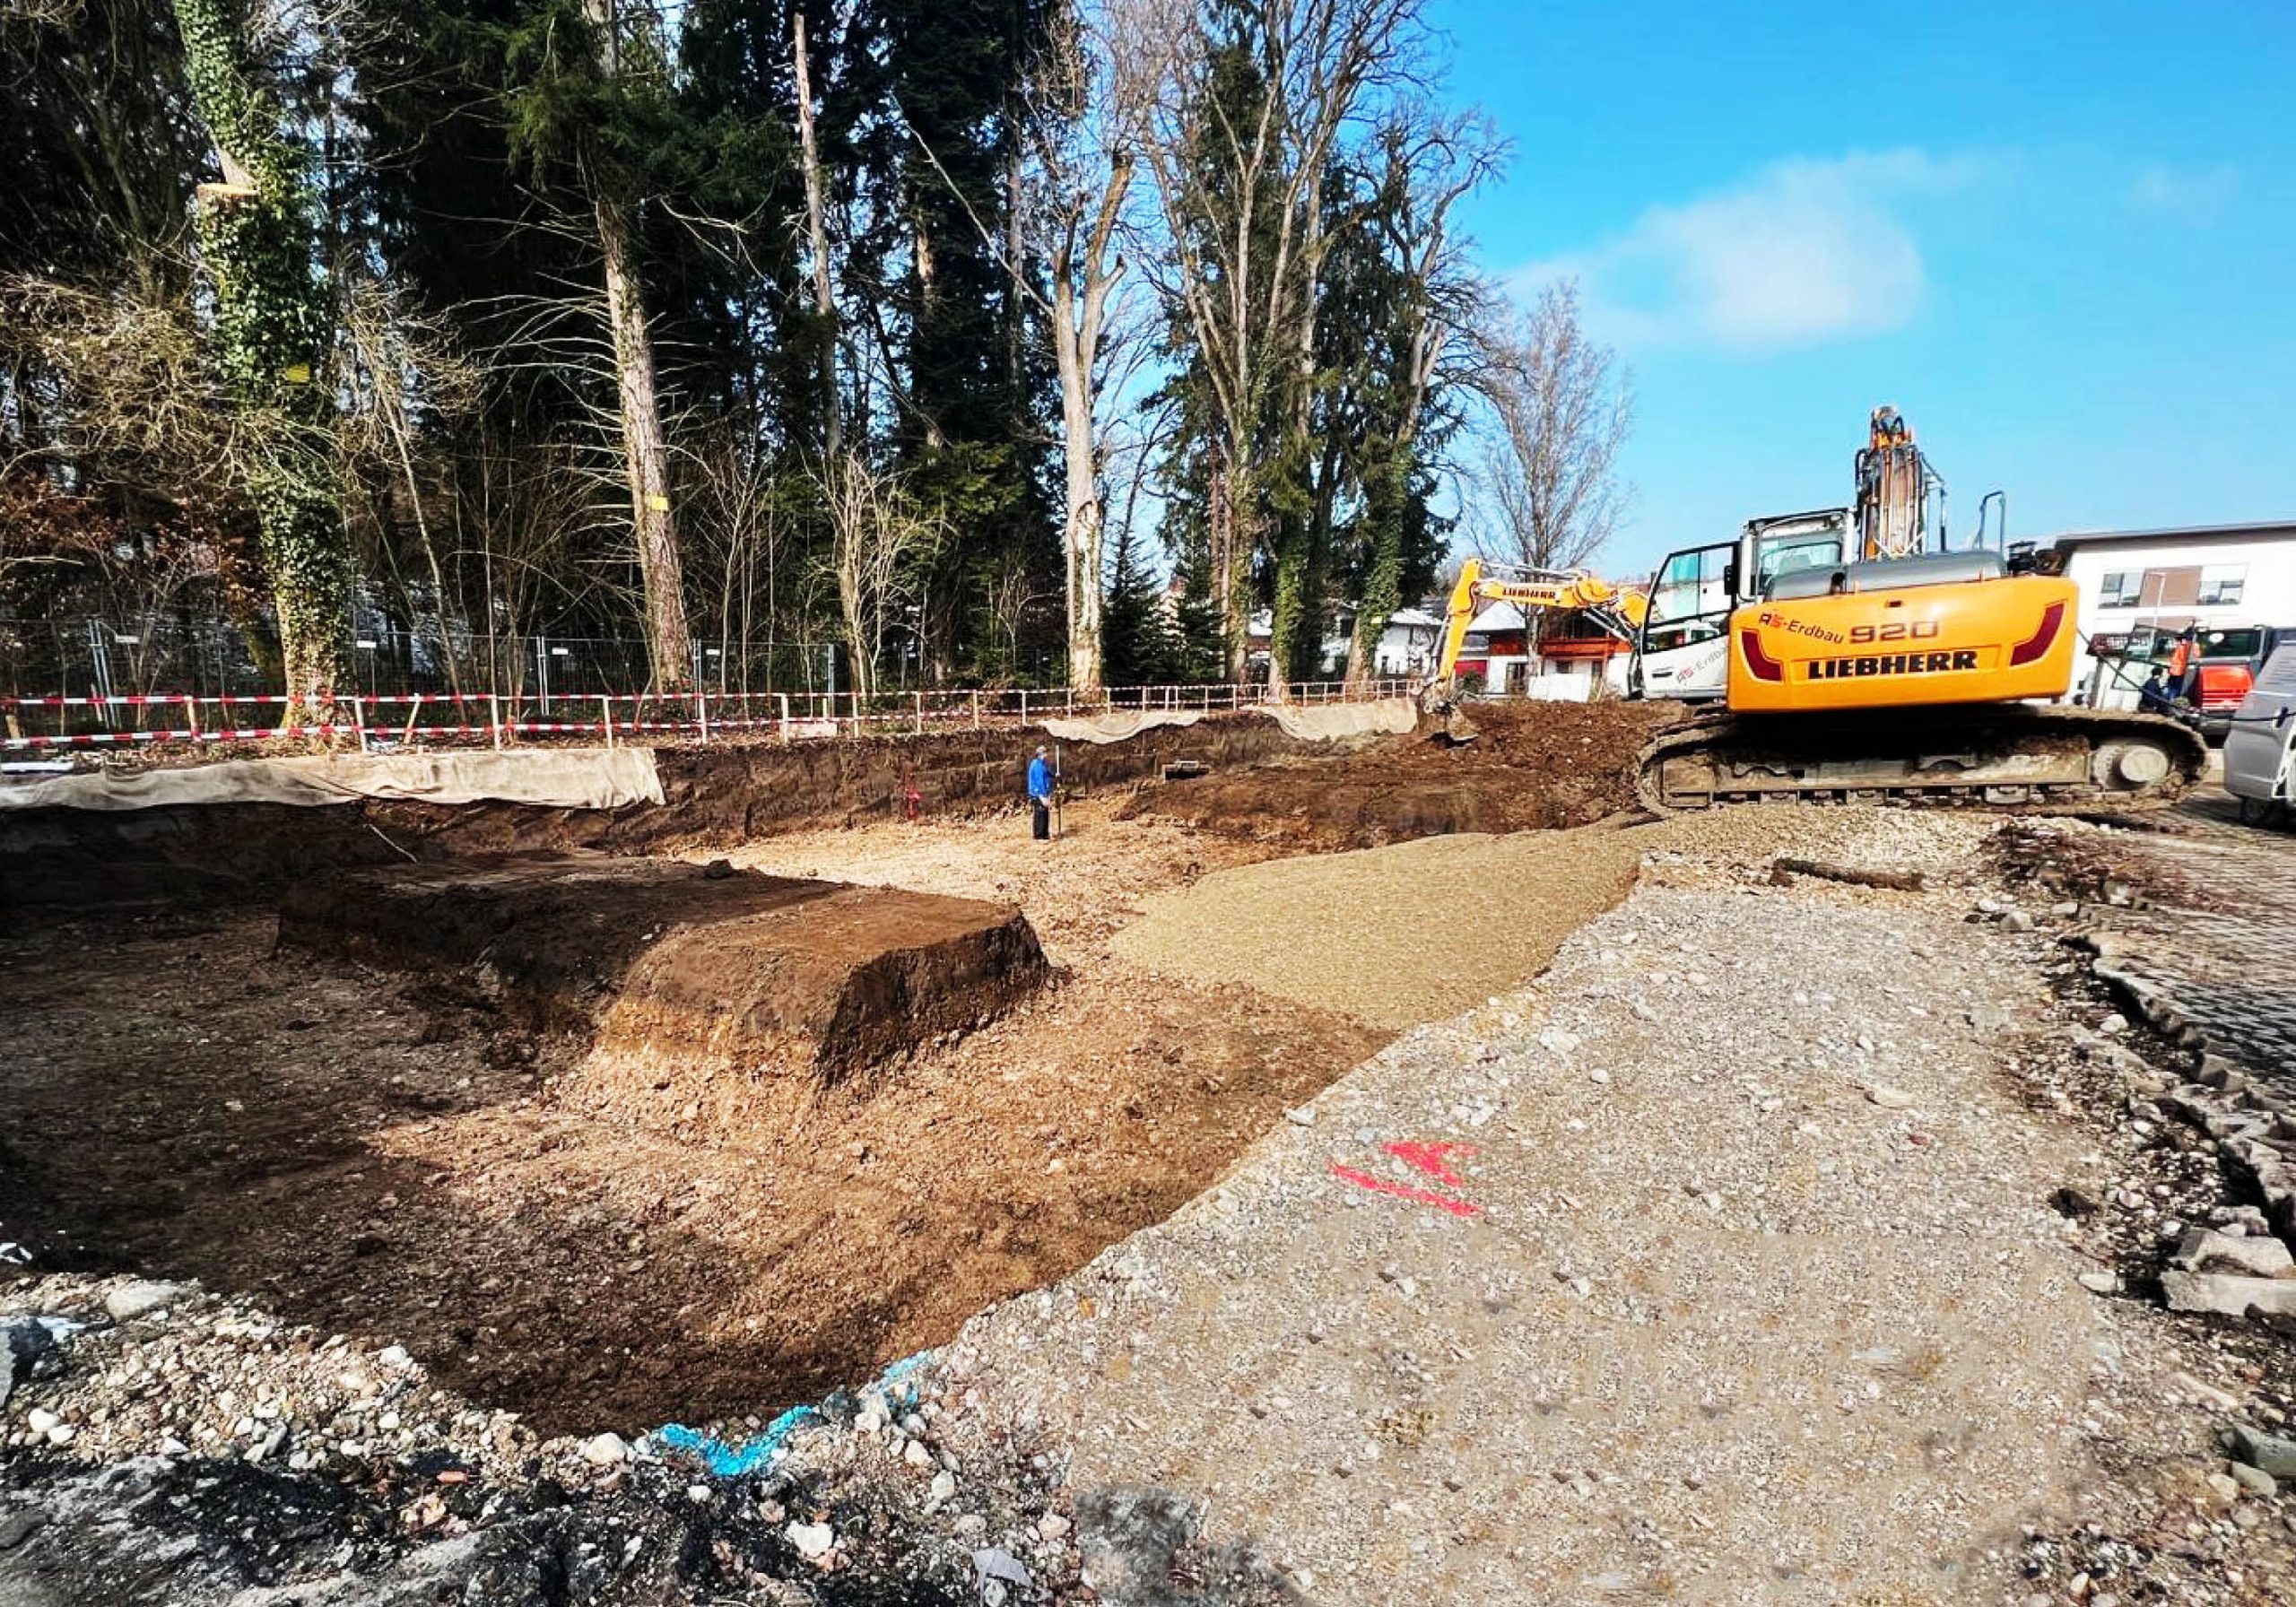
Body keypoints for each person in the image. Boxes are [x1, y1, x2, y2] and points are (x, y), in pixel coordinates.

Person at [1027, 744, 1055, 840]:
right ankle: (1039, 836)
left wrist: (1055, 776)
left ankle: (1045, 834)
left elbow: (1047, 774)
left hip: (1044, 793)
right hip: (1038, 793)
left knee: (1045, 814)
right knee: (1040, 814)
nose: (1046, 754)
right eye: (1045, 752)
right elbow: (1039, 782)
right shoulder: (1036, 765)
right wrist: (1042, 796)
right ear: (1041, 754)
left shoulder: (1042, 764)